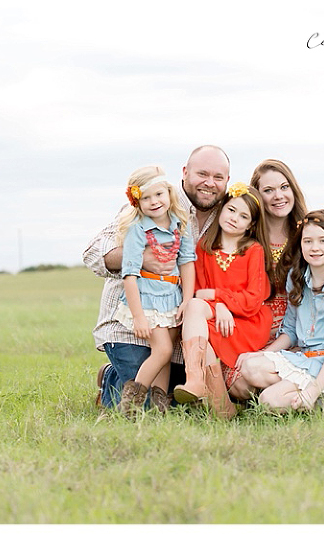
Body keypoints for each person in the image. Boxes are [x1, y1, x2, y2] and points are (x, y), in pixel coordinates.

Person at [83, 145, 230, 409]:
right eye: (202, 174)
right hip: (132, 326)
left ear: (227, 180)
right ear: (185, 172)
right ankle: (112, 379)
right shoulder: (153, 201)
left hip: (178, 323)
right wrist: (140, 257)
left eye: (218, 177)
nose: (210, 183)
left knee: (182, 399)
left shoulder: (228, 216)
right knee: (146, 404)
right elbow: (93, 253)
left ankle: (127, 378)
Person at [236, 210, 324, 411]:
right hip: (305, 360)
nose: (315, 247)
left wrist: (313, 390)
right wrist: (260, 354)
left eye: (323, 241)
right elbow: (290, 331)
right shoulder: (297, 279)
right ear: (300, 245)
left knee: (269, 400)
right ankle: (320, 399)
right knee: (250, 367)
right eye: (308, 241)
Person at [172, 183, 273, 418]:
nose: (234, 218)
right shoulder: (205, 248)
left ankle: (199, 383)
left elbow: (253, 300)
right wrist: (219, 306)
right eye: (231, 210)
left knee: (197, 319)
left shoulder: (253, 250)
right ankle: (216, 401)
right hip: (216, 316)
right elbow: (199, 292)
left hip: (246, 323)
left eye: (243, 216)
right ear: (222, 209)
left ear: (251, 225)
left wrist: (218, 299)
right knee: (197, 321)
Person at [112, 166, 196, 416]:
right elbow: (129, 274)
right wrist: (138, 316)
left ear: (169, 193)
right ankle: (131, 403)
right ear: (137, 202)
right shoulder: (138, 230)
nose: (154, 202)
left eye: (158, 194)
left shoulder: (180, 225)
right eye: (146, 198)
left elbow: (187, 262)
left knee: (165, 355)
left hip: (172, 297)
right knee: (163, 350)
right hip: (148, 298)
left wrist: (187, 299)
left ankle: (160, 407)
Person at [249, 159, 308, 342]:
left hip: (300, 337)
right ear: (257, 197)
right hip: (254, 337)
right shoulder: (246, 240)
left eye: (284, 187)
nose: (278, 196)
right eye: (268, 190)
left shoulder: (309, 237)